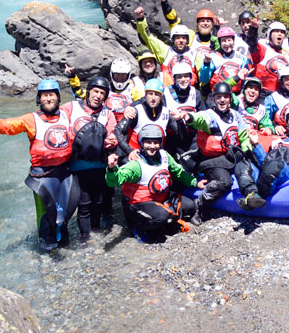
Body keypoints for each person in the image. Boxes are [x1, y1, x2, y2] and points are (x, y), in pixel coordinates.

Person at [0, 80, 79, 252]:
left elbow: (83, 106)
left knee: (65, 211)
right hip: (41, 176)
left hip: (64, 172)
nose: (49, 98)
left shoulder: (66, 115)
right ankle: (46, 246)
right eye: (45, 95)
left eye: (52, 95)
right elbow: (5, 127)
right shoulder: (31, 119)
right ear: (39, 99)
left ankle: (63, 239)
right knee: (46, 215)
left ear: (58, 98)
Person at [172, 82, 265, 220]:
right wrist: (187, 117)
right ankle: (200, 204)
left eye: (226, 97)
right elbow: (198, 119)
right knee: (225, 182)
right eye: (219, 97)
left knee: (245, 166)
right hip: (212, 161)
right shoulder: (209, 116)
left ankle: (251, 196)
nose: (222, 100)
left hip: (231, 157)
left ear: (230, 99)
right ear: (214, 99)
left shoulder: (235, 115)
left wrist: (247, 151)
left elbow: (243, 137)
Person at [106, 125, 207, 242]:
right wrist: (111, 168)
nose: (152, 146)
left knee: (189, 206)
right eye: (148, 142)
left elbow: (178, 173)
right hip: (139, 204)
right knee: (162, 217)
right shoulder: (135, 164)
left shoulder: (165, 156)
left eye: (156, 142)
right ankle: (138, 227)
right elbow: (114, 182)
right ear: (141, 143)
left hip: (160, 198)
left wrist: (195, 182)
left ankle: (160, 221)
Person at [63, 76, 118, 240]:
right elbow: (55, 123)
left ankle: (96, 227)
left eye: (102, 93)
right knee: (84, 203)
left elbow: (111, 136)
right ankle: (84, 236)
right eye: (95, 91)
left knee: (99, 201)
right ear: (88, 92)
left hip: (99, 166)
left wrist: (112, 143)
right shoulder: (71, 107)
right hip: (77, 167)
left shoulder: (108, 114)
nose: (98, 96)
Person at [113, 78, 185, 166]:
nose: (153, 98)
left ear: (161, 96)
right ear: (145, 95)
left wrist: (180, 121)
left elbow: (182, 137)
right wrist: (130, 151)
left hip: (157, 160)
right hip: (136, 161)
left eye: (157, 94)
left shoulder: (166, 113)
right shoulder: (136, 111)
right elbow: (117, 130)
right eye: (150, 94)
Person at [242, 18, 289, 94]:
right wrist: (253, 29)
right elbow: (251, 42)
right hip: (261, 94)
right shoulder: (262, 49)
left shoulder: (288, 55)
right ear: (269, 34)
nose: (280, 34)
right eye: (276, 31)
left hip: (280, 95)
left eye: (282, 32)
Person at [197, 26, 252, 93]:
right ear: (220, 43)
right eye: (224, 41)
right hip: (217, 95)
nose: (227, 44)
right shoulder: (213, 57)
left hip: (236, 95)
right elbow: (204, 80)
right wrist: (206, 63)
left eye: (229, 40)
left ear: (233, 41)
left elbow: (245, 80)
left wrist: (242, 94)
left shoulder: (241, 58)